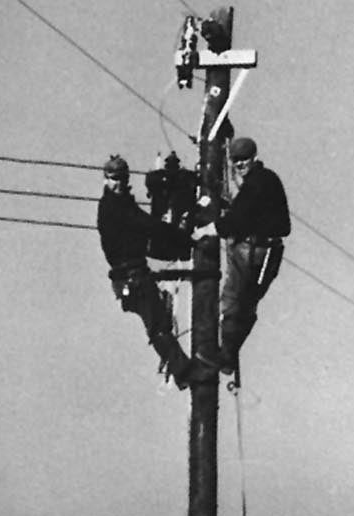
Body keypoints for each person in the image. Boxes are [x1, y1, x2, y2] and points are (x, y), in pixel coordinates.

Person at [96, 154, 215, 389]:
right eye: (113, 179)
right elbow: (146, 225)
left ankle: (183, 371)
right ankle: (185, 373)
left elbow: (146, 226)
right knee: (159, 326)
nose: (118, 183)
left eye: (121, 178)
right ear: (105, 180)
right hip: (131, 275)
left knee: (160, 324)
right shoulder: (113, 207)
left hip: (134, 273)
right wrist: (182, 236)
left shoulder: (121, 203)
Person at [191, 135, 290, 375]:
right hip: (258, 251)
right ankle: (227, 353)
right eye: (236, 160)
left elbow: (236, 220)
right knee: (241, 303)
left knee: (236, 302)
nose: (239, 165)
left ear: (254, 158)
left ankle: (224, 354)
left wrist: (206, 230)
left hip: (255, 252)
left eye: (244, 160)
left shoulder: (257, 183)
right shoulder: (263, 180)